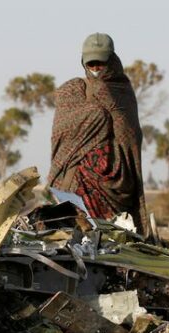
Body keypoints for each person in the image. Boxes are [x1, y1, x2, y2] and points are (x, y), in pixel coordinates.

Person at [49, 33, 150, 235]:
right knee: (76, 236)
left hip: (116, 181)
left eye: (100, 63)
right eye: (91, 64)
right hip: (76, 179)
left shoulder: (122, 91)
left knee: (113, 237)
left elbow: (129, 137)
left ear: (111, 61)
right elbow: (61, 136)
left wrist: (107, 102)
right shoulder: (71, 92)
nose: (95, 69)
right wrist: (96, 113)